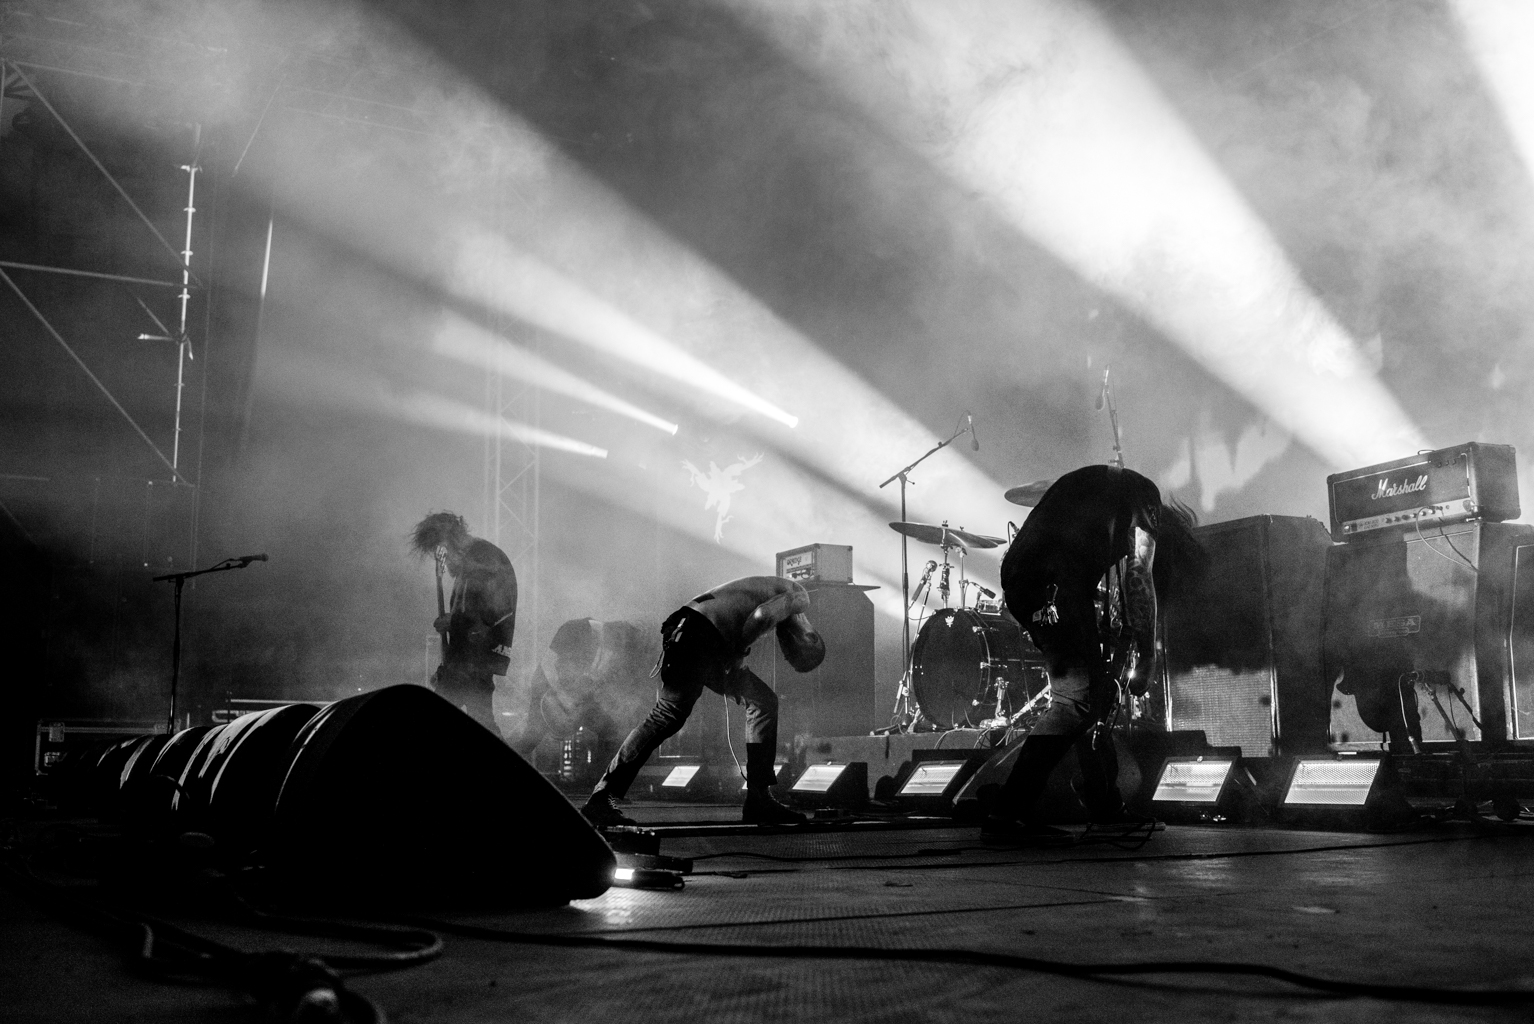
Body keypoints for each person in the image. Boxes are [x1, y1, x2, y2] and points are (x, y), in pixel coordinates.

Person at [986, 464, 1203, 840]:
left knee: (1093, 692)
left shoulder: (1107, 490)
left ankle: (1104, 803)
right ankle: (1008, 813)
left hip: (1024, 582)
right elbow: (1139, 576)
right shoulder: (1145, 501)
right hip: (1054, 584)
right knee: (1075, 700)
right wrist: (1148, 656)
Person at [581, 576, 826, 828]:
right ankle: (602, 797)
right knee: (667, 715)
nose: (785, 649)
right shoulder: (799, 595)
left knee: (762, 701)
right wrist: (738, 653)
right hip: (700, 635)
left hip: (690, 629)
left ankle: (759, 799)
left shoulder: (770, 590)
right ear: (811, 637)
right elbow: (762, 615)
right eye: (793, 652)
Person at [410, 511, 517, 733]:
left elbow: (497, 608)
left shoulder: (484, 557)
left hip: (476, 658)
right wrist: (447, 664)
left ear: (451, 540)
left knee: (436, 722)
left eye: (442, 551)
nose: (443, 559)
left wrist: (453, 621)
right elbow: (469, 615)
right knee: (481, 722)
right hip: (470, 659)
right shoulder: (473, 562)